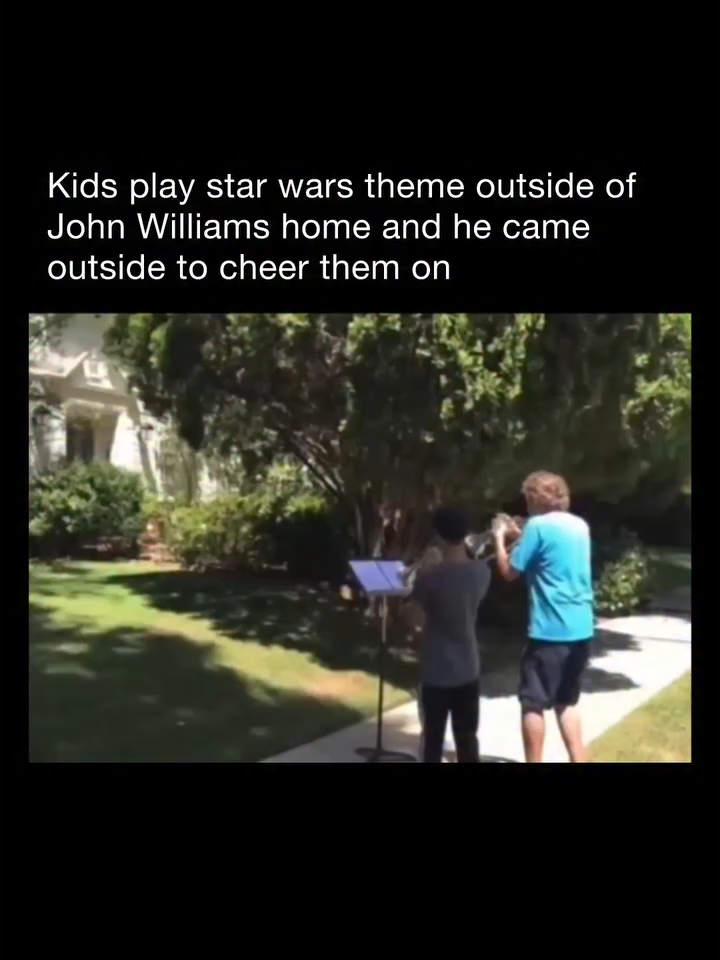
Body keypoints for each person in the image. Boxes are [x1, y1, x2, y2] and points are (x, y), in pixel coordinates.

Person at [493, 471, 594, 763]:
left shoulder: (537, 526)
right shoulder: (579, 525)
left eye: (527, 498)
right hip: (581, 627)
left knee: (532, 704)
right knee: (567, 702)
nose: (525, 504)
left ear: (536, 499)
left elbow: (509, 572)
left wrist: (500, 539)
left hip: (549, 630)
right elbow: (549, 551)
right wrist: (521, 535)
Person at [403, 506, 491, 762]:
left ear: (438, 536)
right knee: (467, 737)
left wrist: (418, 576)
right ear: (466, 533)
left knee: (432, 739)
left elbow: (414, 620)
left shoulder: (430, 577)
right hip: (468, 666)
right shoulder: (482, 572)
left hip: (436, 669)